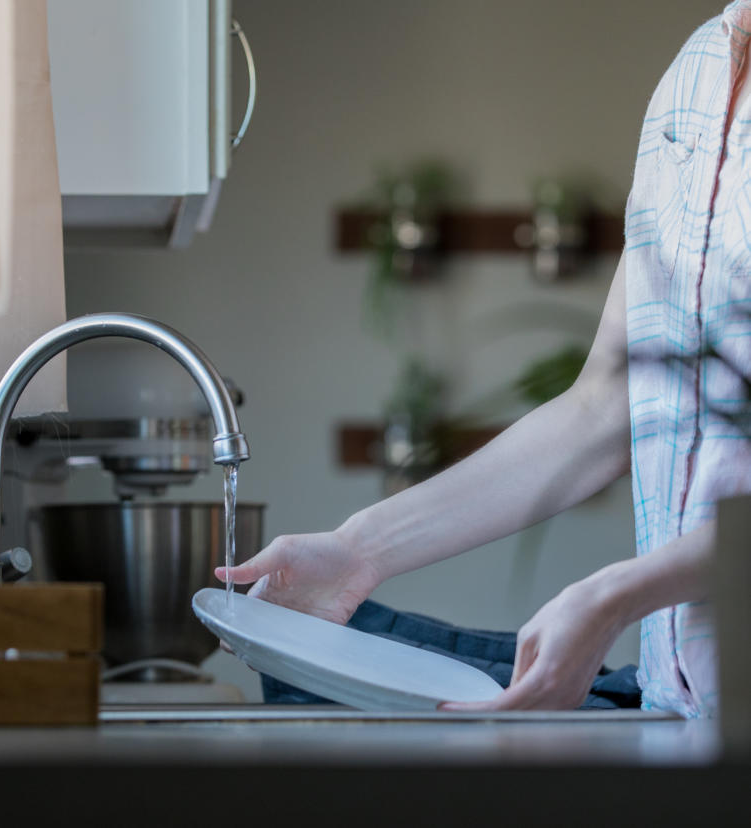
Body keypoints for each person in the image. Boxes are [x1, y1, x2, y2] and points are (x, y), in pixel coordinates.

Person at [218, 2, 751, 717]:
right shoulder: (695, 77)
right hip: (682, 712)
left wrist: (611, 596)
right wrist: (358, 550)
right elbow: (605, 405)